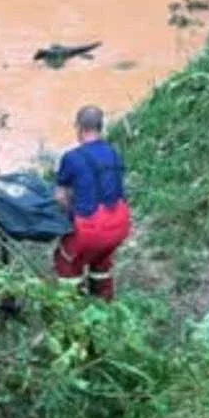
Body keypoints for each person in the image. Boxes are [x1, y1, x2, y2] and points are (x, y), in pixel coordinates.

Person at [52, 106, 132, 301]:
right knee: (101, 260)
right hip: (120, 226)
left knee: (66, 260)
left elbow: (60, 197)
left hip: (91, 229)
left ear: (78, 128)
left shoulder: (71, 158)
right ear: (101, 127)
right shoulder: (114, 153)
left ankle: (73, 305)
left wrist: (66, 212)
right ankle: (104, 302)